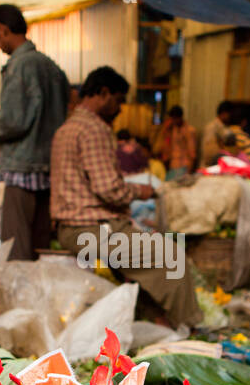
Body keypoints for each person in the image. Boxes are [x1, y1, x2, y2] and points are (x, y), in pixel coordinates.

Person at [52, 67, 201, 329]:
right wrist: (139, 191)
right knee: (173, 256)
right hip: (92, 231)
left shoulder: (67, 128)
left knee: (147, 263)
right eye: (119, 100)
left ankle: (159, 323)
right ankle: (190, 328)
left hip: (72, 229)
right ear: (103, 93)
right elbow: (109, 189)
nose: (120, 109)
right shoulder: (93, 129)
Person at [0, 3, 70, 261]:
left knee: (16, 248)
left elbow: (13, 121)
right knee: (39, 245)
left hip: (21, 171)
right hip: (47, 168)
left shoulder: (19, 65)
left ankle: (19, 301)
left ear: (3, 30)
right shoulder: (52, 67)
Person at [152, 105, 197, 180]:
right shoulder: (171, 129)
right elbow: (166, 144)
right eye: (172, 118)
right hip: (173, 166)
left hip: (185, 166)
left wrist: (189, 170)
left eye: (174, 118)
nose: (173, 120)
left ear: (180, 117)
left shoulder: (190, 131)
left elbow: (192, 153)